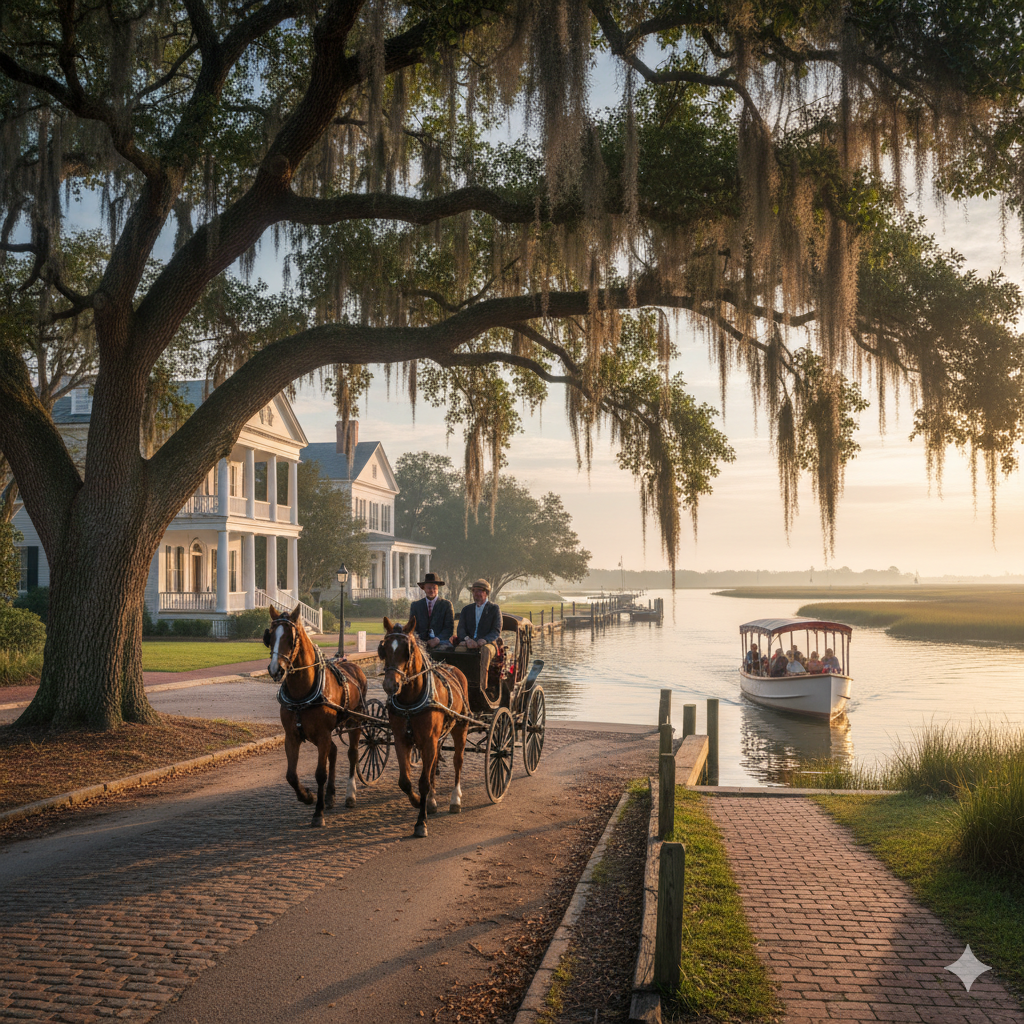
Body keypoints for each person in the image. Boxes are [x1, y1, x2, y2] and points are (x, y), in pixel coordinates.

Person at [456, 578, 503, 690]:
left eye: (479, 591)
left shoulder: (494, 609)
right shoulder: (466, 609)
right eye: (474, 591)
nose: (476, 594)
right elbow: (461, 629)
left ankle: (482, 687)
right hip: (469, 641)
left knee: (485, 651)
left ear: (486, 593)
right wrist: (467, 639)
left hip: (488, 643)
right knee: (457, 650)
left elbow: (496, 630)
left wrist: (484, 640)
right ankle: (459, 684)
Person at [409, 571, 454, 650]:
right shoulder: (416, 606)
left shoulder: (446, 605)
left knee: (446, 649)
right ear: (424, 588)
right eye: (429, 588)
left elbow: (449, 628)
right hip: (420, 642)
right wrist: (420, 639)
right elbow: (412, 628)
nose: (432, 590)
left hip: (441, 642)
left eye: (434, 588)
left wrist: (437, 639)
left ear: (438, 589)